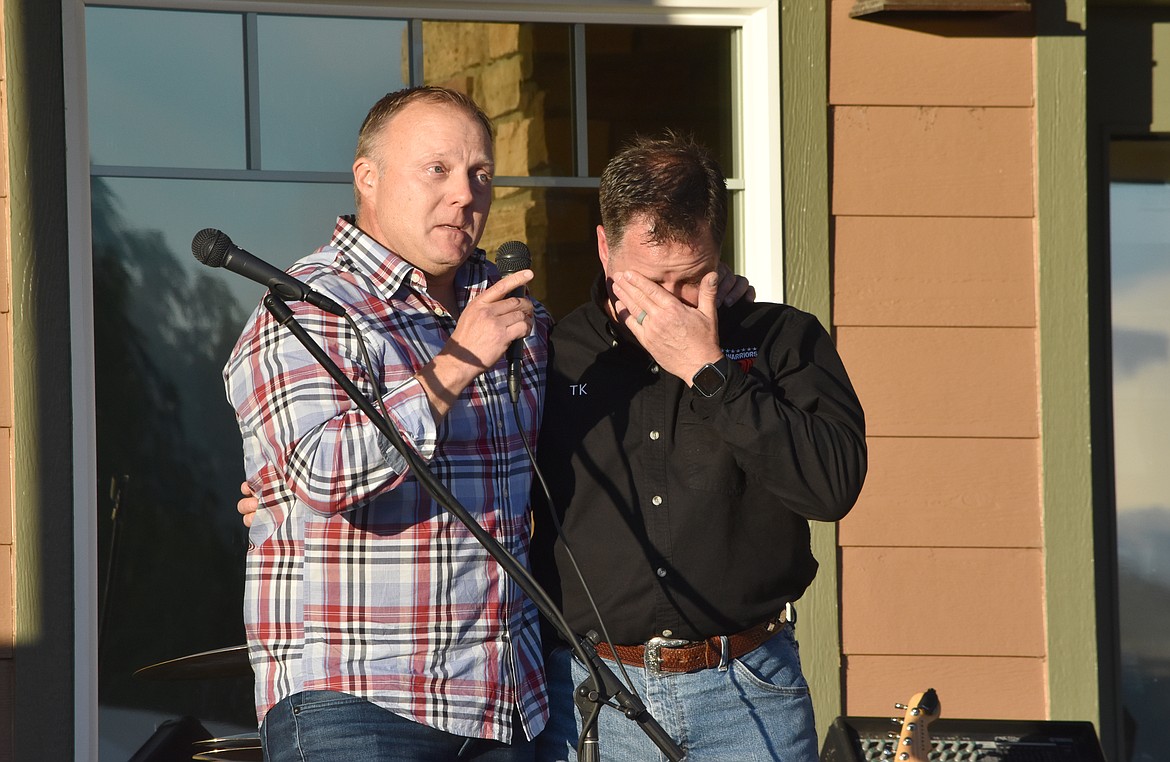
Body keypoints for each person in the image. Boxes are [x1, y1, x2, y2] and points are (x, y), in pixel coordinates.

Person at [223, 86, 551, 761]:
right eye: (437, 169)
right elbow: (324, 473)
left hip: (505, 700)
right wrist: (455, 364)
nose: (466, 193)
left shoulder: (510, 312)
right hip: (361, 703)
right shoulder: (308, 311)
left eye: (480, 173)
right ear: (367, 178)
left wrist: (722, 311)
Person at [530, 132, 867, 761]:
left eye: (696, 278)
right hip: (593, 691)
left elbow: (832, 487)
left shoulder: (781, 340)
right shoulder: (554, 355)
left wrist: (710, 372)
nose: (676, 302)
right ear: (605, 249)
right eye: (655, 280)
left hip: (749, 683)